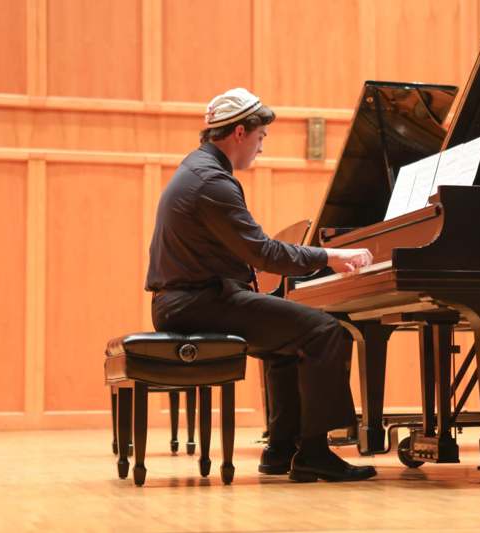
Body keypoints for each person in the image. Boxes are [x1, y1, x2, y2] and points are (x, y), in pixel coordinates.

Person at [145, 88, 377, 482]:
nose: (261, 148)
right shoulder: (212, 182)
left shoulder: (200, 169)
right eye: (261, 138)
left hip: (187, 299)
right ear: (239, 132)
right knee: (324, 331)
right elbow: (264, 253)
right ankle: (315, 453)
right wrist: (330, 256)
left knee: (287, 342)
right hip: (196, 302)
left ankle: (282, 448)